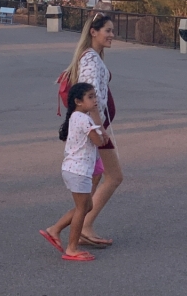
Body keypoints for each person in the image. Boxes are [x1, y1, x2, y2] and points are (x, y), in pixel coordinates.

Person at [57, 11, 120, 246]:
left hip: (94, 127)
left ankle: (77, 226)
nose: (112, 35)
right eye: (108, 31)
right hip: (95, 129)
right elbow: (90, 94)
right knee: (113, 176)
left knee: (97, 179)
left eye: (112, 31)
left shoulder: (92, 57)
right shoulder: (91, 59)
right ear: (93, 32)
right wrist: (98, 127)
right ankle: (82, 225)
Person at [41, 82, 107, 261]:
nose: (95, 100)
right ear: (78, 101)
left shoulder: (77, 117)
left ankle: (54, 229)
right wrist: (100, 132)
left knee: (87, 206)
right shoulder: (84, 119)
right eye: (90, 97)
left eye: (95, 96)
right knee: (81, 208)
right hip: (78, 171)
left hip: (74, 169)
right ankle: (71, 248)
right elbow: (99, 141)